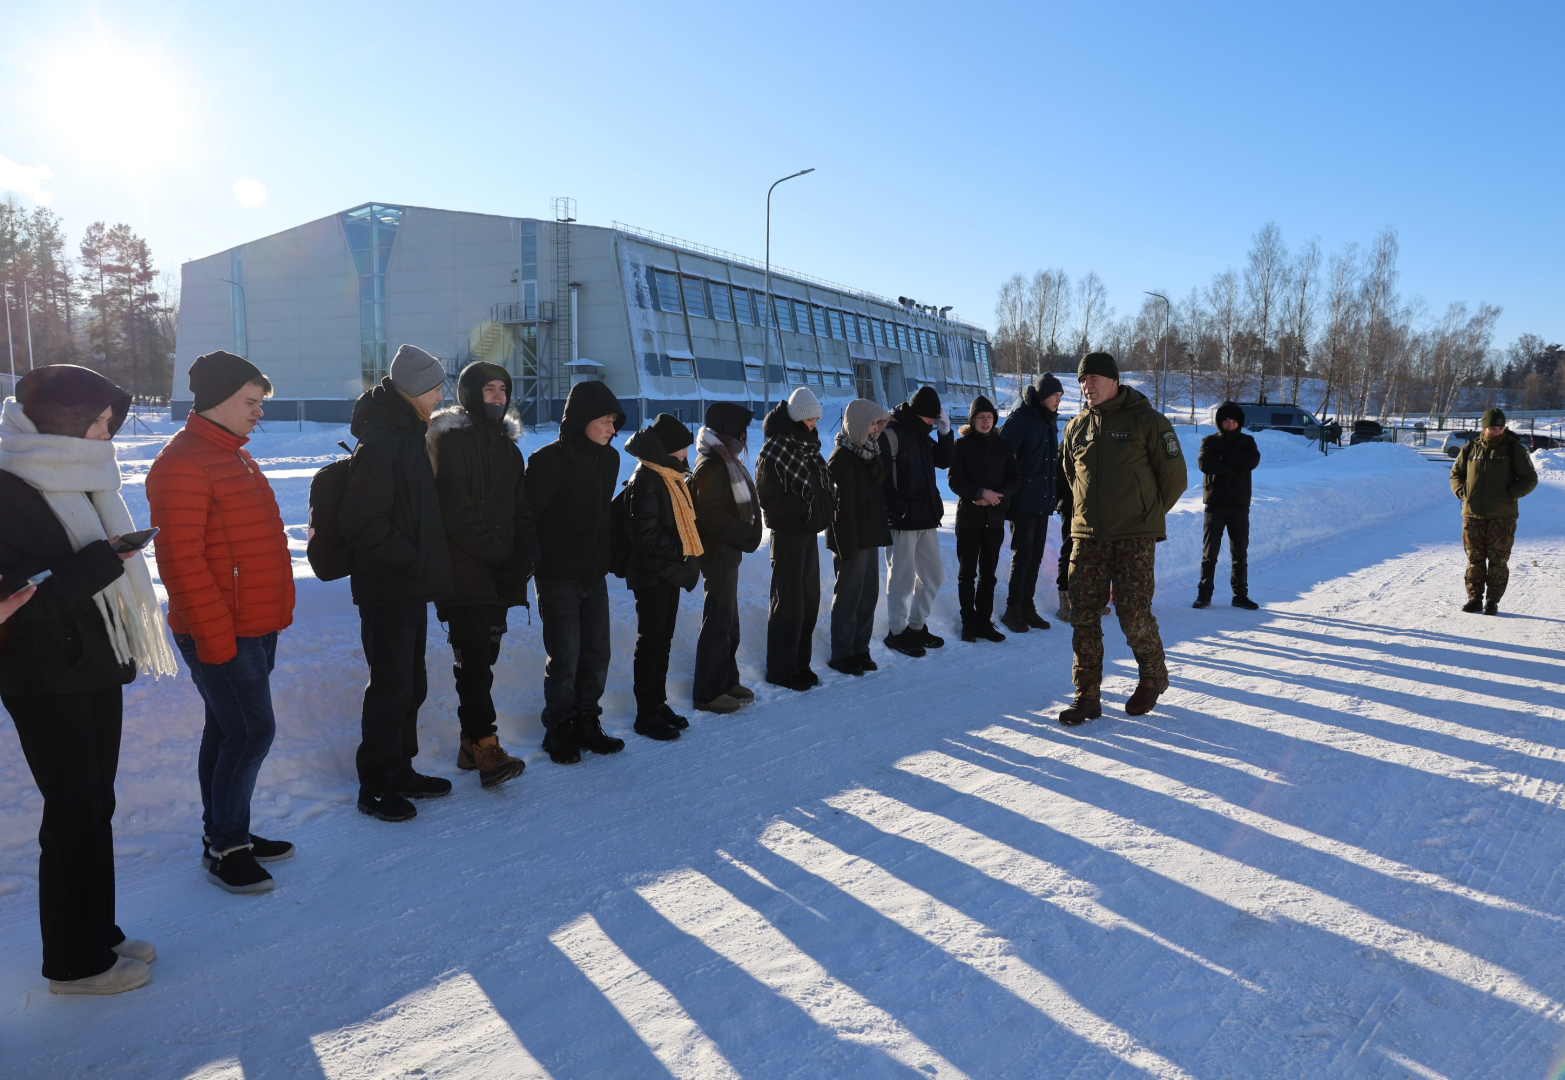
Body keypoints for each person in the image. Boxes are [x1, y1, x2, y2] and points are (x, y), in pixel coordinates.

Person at [1, 365, 176, 994]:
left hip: (94, 660)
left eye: (109, 423)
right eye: (97, 422)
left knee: (93, 804)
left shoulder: (79, 473)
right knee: (72, 808)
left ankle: (96, 930)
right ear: (61, 420)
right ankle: (73, 963)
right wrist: (105, 561)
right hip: (41, 672)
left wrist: (107, 561)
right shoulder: (8, 485)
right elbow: (21, 599)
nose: (106, 435)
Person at [147, 351, 297, 892]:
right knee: (252, 730)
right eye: (250, 402)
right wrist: (215, 639)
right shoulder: (182, 463)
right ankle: (226, 847)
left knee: (227, 727)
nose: (259, 413)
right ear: (217, 400)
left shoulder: (234, 455)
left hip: (255, 623)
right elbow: (182, 566)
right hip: (222, 629)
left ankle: (227, 831)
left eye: (260, 402)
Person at [339, 344, 454, 822]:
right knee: (390, 687)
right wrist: (409, 561)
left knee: (411, 683)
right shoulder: (386, 438)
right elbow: (362, 520)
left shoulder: (408, 432)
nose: (441, 393)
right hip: (388, 586)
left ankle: (401, 769)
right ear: (415, 389)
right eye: (435, 386)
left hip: (408, 584)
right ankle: (376, 785)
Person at [1058, 352, 1188, 725]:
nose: (1087, 385)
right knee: (1083, 616)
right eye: (1083, 380)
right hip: (1087, 538)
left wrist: (1145, 516)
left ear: (1114, 380)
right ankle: (1087, 696)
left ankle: (1153, 675)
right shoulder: (1076, 427)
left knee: (1133, 614)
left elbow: (1174, 477)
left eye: (1094, 378)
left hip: (1133, 537)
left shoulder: (1148, 421)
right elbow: (1071, 476)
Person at [427, 361, 536, 789]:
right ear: (471, 393)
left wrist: (525, 552)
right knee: (472, 663)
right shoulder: (451, 443)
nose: (497, 396)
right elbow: (456, 512)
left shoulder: (509, 449)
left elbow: (521, 508)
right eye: (489, 388)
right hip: (463, 573)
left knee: (483, 661)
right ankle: (487, 747)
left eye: (503, 389)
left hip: (498, 573)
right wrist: (501, 555)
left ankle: (468, 746)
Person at [526, 379, 627, 763]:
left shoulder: (610, 458)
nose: (612, 429)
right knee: (565, 657)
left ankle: (587, 721)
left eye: (615, 421)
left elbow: (603, 517)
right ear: (583, 419)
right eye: (605, 420)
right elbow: (529, 519)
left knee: (597, 653)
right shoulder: (547, 461)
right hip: (557, 575)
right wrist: (540, 559)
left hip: (593, 573)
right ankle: (558, 728)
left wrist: (607, 556)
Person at [623, 414, 703, 739]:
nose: (687, 455)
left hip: (667, 572)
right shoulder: (647, 479)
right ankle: (646, 713)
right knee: (651, 644)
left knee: (663, 642)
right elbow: (644, 536)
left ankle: (658, 703)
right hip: (652, 574)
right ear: (668, 450)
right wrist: (683, 550)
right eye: (683, 449)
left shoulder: (669, 476)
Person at [755, 387, 834, 691]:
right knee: (788, 602)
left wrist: (821, 507)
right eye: (811, 418)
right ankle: (781, 669)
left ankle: (800, 663)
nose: (815, 423)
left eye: (816, 418)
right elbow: (767, 496)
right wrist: (803, 509)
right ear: (799, 417)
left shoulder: (807, 445)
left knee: (808, 600)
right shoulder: (774, 449)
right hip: (788, 534)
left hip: (808, 532)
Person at [690, 402, 762, 714]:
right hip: (718, 552)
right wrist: (742, 533)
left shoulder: (725, 459)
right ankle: (707, 691)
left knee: (729, 621)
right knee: (718, 621)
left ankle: (727, 680)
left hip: (727, 552)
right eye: (743, 430)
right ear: (731, 432)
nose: (747, 436)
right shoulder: (711, 465)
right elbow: (709, 513)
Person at [879, 385, 955, 657]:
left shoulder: (922, 434)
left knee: (934, 575)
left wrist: (946, 434)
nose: (933, 423)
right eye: (930, 418)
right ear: (916, 413)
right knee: (900, 580)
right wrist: (899, 510)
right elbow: (882, 480)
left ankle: (916, 626)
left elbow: (945, 461)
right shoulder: (890, 435)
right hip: (902, 521)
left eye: (936, 419)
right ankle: (896, 632)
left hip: (926, 518)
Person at [825, 399, 893, 676]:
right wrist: (846, 546)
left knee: (868, 596)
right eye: (872, 423)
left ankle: (860, 649)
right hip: (850, 539)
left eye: (879, 424)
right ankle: (842, 654)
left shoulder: (869, 453)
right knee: (848, 597)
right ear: (860, 424)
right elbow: (842, 510)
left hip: (870, 536)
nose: (876, 429)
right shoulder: (841, 457)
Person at [948, 395, 1022, 642]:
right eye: (981, 417)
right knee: (967, 574)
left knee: (988, 575)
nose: (985, 421)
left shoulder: (1004, 446)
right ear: (972, 419)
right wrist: (979, 494)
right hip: (969, 520)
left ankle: (984, 622)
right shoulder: (961, 446)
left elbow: (1015, 479)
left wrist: (994, 497)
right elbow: (954, 480)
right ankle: (968, 623)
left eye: (989, 417)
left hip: (994, 519)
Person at [1450, 407, 1537, 615]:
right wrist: (1463, 492)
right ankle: (1474, 599)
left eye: (1500, 427)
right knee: (1474, 560)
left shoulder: (1514, 449)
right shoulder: (1470, 448)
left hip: (1502, 517)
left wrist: (1508, 495)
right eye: (1492, 427)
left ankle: (1492, 601)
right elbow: (1456, 474)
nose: (1497, 431)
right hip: (1472, 515)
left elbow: (1529, 479)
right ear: (1484, 427)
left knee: (1498, 561)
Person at [999, 373, 1064, 633]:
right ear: (1041, 395)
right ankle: (1012, 608)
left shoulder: (1048, 421)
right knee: (1022, 556)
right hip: (1023, 500)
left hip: (1042, 501)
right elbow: (1004, 459)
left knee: (1035, 556)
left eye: (1060, 396)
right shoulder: (1020, 420)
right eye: (1055, 395)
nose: (1058, 400)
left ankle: (1027, 605)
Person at [1194, 401, 1262, 610]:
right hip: (1215, 505)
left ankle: (1240, 595)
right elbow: (1205, 464)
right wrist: (1235, 465)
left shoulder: (1248, 441)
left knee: (1239, 553)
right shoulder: (1209, 441)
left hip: (1239, 505)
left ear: (1239, 422)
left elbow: (1251, 461)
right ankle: (1204, 595)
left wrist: (1223, 458)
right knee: (1209, 554)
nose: (1230, 424)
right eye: (1226, 421)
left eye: (1233, 421)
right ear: (1219, 422)